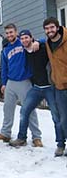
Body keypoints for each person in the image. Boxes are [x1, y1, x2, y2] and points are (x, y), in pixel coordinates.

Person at [9, 30, 66, 156]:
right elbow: (9, 45)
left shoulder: (41, 47)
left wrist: (38, 41)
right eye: (22, 38)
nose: (24, 40)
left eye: (26, 38)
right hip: (36, 88)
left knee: (56, 117)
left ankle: (61, 145)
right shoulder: (23, 51)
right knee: (24, 111)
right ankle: (22, 138)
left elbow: (49, 40)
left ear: (31, 38)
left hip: (49, 88)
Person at [0, 23, 42, 147]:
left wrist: (36, 41)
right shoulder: (5, 50)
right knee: (8, 109)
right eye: (7, 33)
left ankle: (36, 137)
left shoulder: (22, 43)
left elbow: (33, 41)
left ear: (16, 32)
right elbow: (4, 68)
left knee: (29, 109)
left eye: (11, 32)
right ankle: (5, 133)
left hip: (24, 81)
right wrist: (3, 83)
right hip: (10, 82)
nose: (9, 35)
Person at [43, 17, 67, 145]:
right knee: (63, 119)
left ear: (57, 28)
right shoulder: (47, 43)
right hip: (59, 86)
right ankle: (62, 144)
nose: (49, 30)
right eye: (46, 29)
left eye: (52, 27)